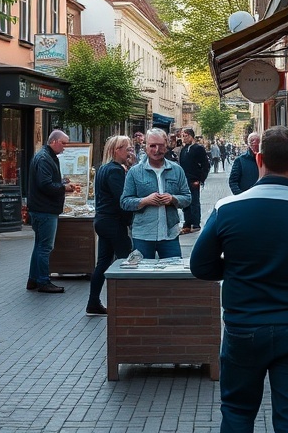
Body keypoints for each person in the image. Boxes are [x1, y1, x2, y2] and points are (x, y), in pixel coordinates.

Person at [190, 126, 288, 433]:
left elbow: (200, 266)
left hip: (244, 326)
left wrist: (235, 270)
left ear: (259, 157)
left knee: (237, 412)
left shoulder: (226, 210)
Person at [120, 128, 191, 258]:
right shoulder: (135, 172)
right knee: (143, 276)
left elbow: (187, 198)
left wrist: (173, 199)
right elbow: (124, 202)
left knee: (172, 274)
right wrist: (145, 201)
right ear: (145, 146)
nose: (156, 150)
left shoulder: (176, 170)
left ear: (167, 145)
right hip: (143, 235)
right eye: (152, 145)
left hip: (170, 234)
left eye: (161, 145)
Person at [86, 135, 134, 316]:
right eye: (127, 149)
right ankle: (125, 303)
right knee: (125, 261)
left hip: (102, 221)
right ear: (117, 150)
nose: (130, 152)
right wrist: (130, 218)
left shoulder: (103, 169)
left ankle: (93, 302)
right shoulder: (115, 171)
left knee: (103, 262)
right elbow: (122, 199)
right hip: (113, 222)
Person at [26, 129, 75, 293]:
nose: (65, 147)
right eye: (63, 143)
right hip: (44, 209)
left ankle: (33, 279)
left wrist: (61, 183)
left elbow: (45, 182)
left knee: (39, 245)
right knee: (45, 247)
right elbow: (45, 185)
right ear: (54, 141)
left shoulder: (45, 157)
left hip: (41, 208)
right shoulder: (45, 159)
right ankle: (43, 281)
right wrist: (64, 187)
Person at [178, 127, 210, 233]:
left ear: (191, 136)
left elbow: (206, 165)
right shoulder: (183, 150)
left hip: (194, 180)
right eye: (182, 136)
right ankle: (187, 223)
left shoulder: (198, 148)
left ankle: (196, 223)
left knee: (194, 202)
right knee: (185, 202)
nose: (183, 138)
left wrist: (200, 179)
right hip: (184, 180)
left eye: (185, 136)